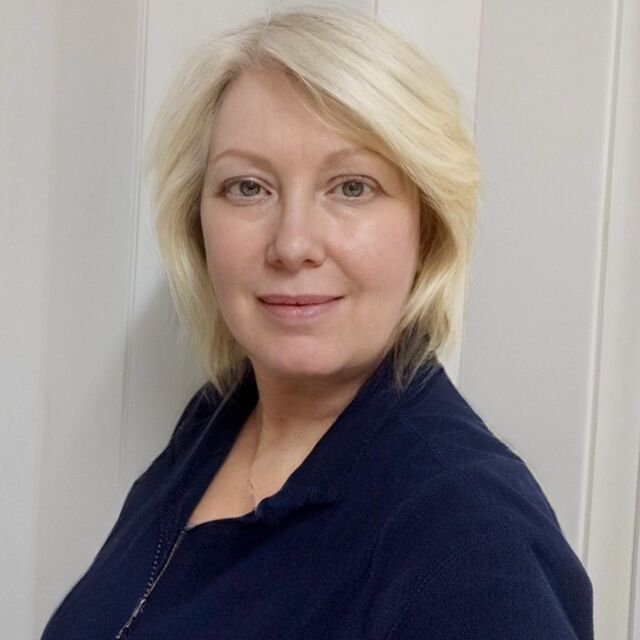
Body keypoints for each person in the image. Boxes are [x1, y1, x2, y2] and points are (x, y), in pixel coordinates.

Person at [41, 5, 593, 639]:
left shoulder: (473, 539)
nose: (293, 244)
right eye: (248, 187)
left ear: (427, 224)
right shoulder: (217, 420)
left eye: (351, 187)